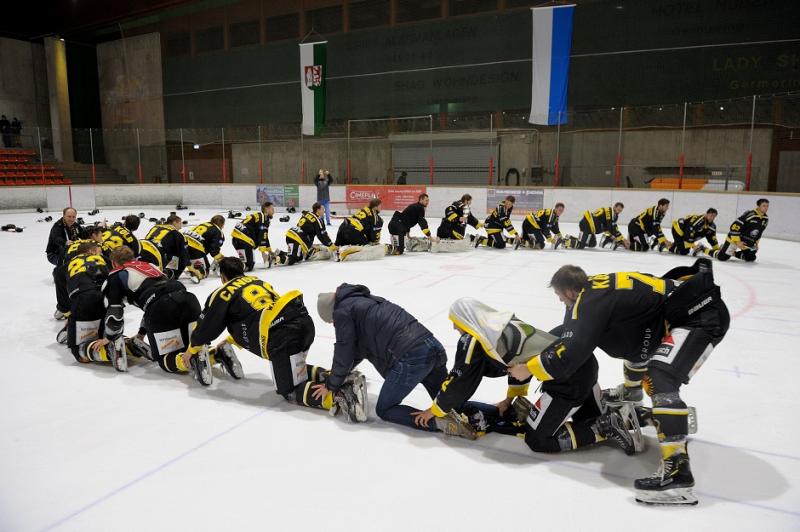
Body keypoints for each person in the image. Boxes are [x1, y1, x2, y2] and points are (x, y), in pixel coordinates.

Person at [510, 260, 728, 505]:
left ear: (570, 291)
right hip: (683, 311)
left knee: (660, 377)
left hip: (700, 316)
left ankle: (678, 475)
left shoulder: (587, 302)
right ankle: (633, 396)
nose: (561, 302)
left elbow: (572, 351)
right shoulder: (597, 289)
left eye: (560, 296)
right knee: (631, 346)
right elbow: (623, 339)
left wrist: (527, 368)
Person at [184, 257, 365, 416]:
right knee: (294, 366)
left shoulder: (223, 292)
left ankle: (341, 395)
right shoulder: (257, 281)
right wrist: (233, 339)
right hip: (302, 322)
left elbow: (208, 326)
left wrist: (191, 349)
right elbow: (260, 313)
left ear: (222, 277)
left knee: (289, 390)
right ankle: (335, 377)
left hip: (282, 336)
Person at [315, 284, 449, 429]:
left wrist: (331, 385)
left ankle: (438, 423)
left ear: (331, 312)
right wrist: (336, 375)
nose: (334, 323)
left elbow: (344, 349)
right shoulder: (363, 300)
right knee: (449, 405)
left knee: (384, 409)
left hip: (412, 356)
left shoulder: (342, 311)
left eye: (332, 321)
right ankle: (470, 417)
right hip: (432, 346)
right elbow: (358, 350)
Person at [103, 246, 242, 385]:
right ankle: (218, 354)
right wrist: (141, 333)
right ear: (133, 258)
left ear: (114, 263)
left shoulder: (116, 274)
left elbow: (114, 315)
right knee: (189, 349)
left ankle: (195, 360)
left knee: (166, 360)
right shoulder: (148, 265)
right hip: (188, 299)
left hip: (161, 308)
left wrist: (109, 338)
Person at [55, 240, 128, 370]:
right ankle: (129, 345)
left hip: (84, 300)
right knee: (103, 337)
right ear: (91, 251)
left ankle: (110, 351)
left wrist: (69, 315)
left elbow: (63, 302)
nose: (100, 251)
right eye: (98, 249)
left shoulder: (63, 268)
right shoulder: (102, 259)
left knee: (80, 355)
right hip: (107, 302)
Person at [52, 226, 104, 321]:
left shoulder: (70, 244)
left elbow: (59, 266)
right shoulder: (96, 246)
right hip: (86, 281)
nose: (102, 238)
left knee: (60, 277)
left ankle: (63, 309)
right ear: (93, 236)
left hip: (67, 273)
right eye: (101, 235)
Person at [704, 198, 769, 262]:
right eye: (764, 206)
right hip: (735, 239)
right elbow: (734, 227)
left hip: (747, 242)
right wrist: (737, 242)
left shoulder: (766, 219)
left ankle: (732, 253)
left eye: (767, 206)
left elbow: (759, 233)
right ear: (758, 206)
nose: (766, 208)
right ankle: (703, 249)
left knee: (751, 258)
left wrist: (756, 244)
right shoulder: (750, 215)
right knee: (722, 257)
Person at [560, 203, 629, 250]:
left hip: (591, 229)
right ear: (614, 207)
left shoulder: (614, 216)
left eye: (620, 211)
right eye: (618, 209)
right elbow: (610, 227)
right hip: (586, 225)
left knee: (592, 244)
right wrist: (622, 239)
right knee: (581, 245)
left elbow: (611, 227)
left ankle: (570, 238)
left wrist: (617, 237)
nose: (619, 211)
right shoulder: (609, 211)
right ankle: (563, 241)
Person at [231, 202, 274, 271]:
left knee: (246, 264)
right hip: (244, 241)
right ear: (266, 209)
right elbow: (262, 236)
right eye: (272, 209)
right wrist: (264, 254)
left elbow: (264, 236)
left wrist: (270, 251)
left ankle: (225, 264)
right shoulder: (263, 218)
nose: (273, 211)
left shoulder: (260, 216)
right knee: (249, 265)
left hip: (237, 240)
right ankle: (225, 264)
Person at [143, 214, 188, 279]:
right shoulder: (177, 234)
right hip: (156, 256)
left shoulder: (155, 227)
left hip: (143, 249)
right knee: (179, 254)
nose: (181, 227)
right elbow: (183, 255)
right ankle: (171, 275)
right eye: (180, 223)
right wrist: (189, 266)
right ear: (175, 222)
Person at [184, 215, 225, 283]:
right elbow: (214, 250)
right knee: (205, 270)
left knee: (176, 267)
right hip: (195, 249)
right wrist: (220, 258)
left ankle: (169, 272)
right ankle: (196, 273)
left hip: (182, 246)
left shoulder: (203, 224)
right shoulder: (218, 231)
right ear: (222, 224)